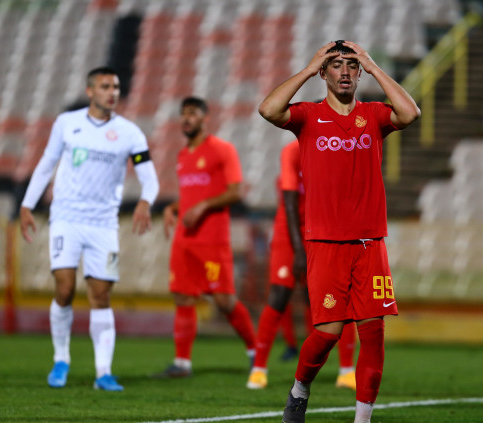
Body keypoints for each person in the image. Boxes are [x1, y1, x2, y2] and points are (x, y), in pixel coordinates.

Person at [259, 40, 420, 423]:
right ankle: (300, 389)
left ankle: (362, 419)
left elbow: (410, 113)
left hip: (370, 243)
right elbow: (268, 109)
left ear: (360, 72)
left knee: (373, 334)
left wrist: (373, 65)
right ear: (324, 73)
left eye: (352, 65)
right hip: (326, 243)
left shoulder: (374, 115)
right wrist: (309, 66)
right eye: (336, 65)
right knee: (327, 334)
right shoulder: (308, 116)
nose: (345, 71)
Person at [19, 67, 160, 391]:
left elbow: (149, 177)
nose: (113, 92)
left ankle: (103, 372)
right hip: (66, 219)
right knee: (65, 289)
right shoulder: (66, 123)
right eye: (105, 86)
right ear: (90, 91)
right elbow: (46, 164)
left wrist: (145, 201)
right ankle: (61, 358)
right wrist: (27, 204)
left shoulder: (130, 133)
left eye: (116, 87)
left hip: (104, 224)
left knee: (101, 295)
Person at [154, 96, 256, 378]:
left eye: (193, 113)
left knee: (224, 301)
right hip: (184, 240)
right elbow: (191, 196)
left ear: (205, 118)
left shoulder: (222, 149)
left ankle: (255, 350)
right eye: (183, 114)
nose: (187, 118)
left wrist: (203, 207)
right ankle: (182, 363)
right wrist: (173, 208)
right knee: (182, 297)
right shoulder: (183, 156)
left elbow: (235, 192)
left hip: (212, 240)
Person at [247, 139, 357, 391]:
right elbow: (289, 201)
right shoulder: (292, 152)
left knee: (338, 296)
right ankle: (258, 369)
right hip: (290, 230)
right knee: (279, 294)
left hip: (323, 230)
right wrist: (299, 249)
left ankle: (346, 370)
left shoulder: (338, 150)